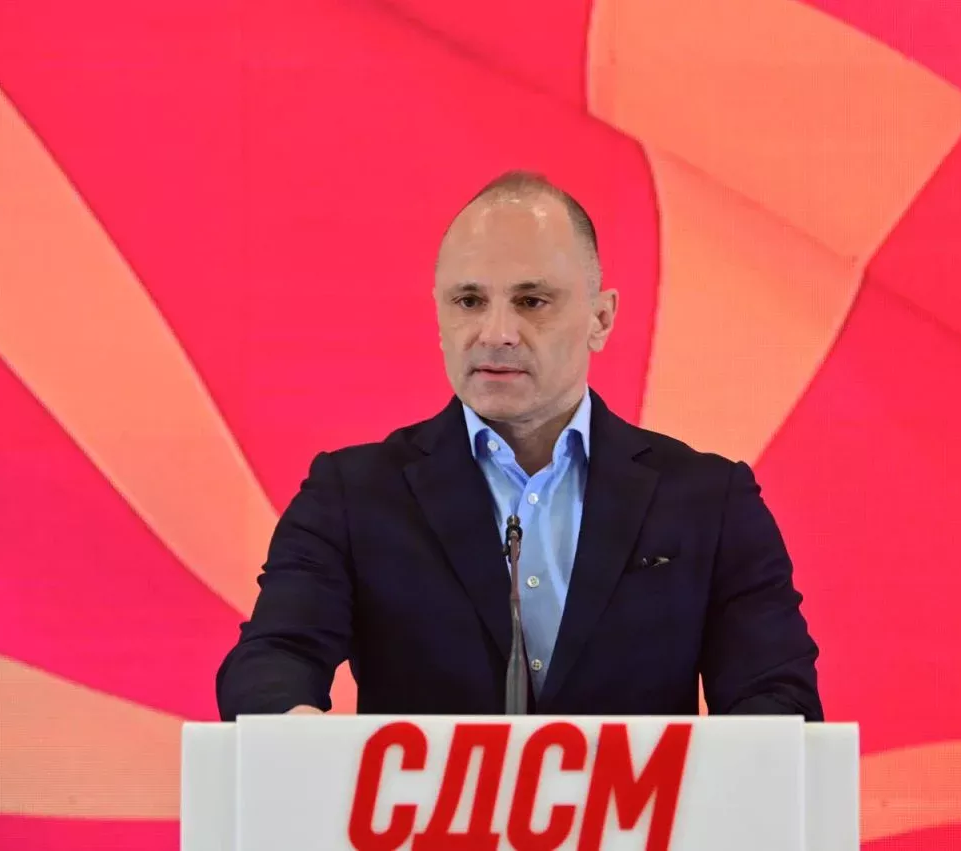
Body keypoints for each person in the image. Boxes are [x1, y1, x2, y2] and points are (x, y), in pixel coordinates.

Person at [216, 171, 822, 720]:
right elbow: (272, 661)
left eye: (532, 302)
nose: (497, 332)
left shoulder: (709, 501)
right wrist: (295, 734)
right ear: (439, 317)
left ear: (601, 318)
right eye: (469, 301)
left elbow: (777, 696)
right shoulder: (352, 496)